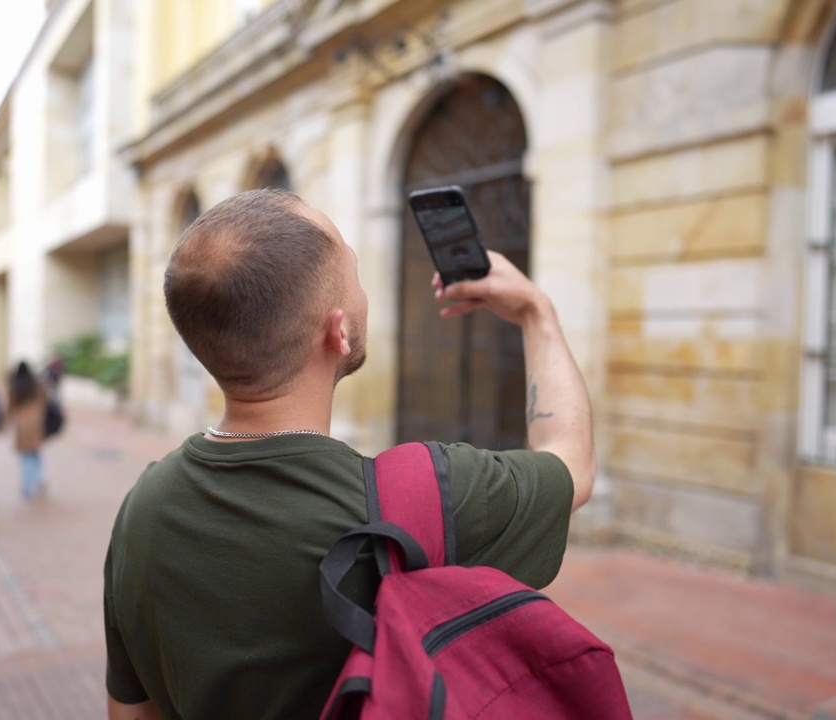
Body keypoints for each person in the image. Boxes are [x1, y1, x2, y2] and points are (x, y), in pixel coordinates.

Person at [103, 190, 596, 720]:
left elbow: (131, 712)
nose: (364, 293)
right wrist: (535, 313)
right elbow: (570, 462)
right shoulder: (428, 498)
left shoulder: (141, 510)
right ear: (338, 331)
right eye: (354, 273)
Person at [5, 361, 48, 499]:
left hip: (22, 424)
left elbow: (11, 406)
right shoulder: (36, 384)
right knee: (35, 452)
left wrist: (6, 421)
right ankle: (40, 477)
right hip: (36, 421)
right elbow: (44, 400)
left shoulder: (16, 386)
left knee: (26, 456)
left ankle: (28, 486)